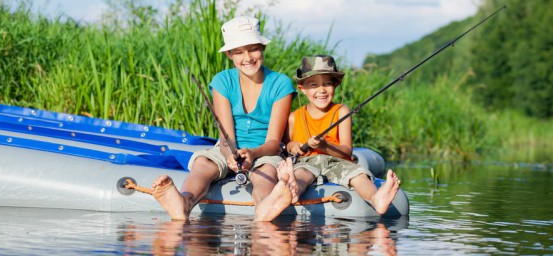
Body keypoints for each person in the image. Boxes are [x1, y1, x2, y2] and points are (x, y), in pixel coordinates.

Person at [151, 16, 295, 222]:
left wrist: (253, 153)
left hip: (265, 152)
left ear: (263, 47)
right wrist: (231, 155)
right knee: (203, 163)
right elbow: (225, 135)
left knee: (267, 173)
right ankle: (184, 201)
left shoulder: (281, 84)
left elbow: (274, 142)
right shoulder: (222, 81)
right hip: (228, 148)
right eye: (238, 52)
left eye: (254, 48)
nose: (247, 57)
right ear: (229, 54)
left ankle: (264, 207)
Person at [282, 55, 401, 215]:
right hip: (307, 161)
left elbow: (346, 151)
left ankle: (376, 198)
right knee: (301, 174)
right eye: (314, 84)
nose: (321, 90)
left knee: (358, 175)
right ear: (302, 88)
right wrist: (294, 146)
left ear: (335, 85)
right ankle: (294, 190)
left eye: (327, 84)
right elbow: (288, 145)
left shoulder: (341, 112)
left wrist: (324, 146)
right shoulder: (294, 117)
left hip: (337, 161)